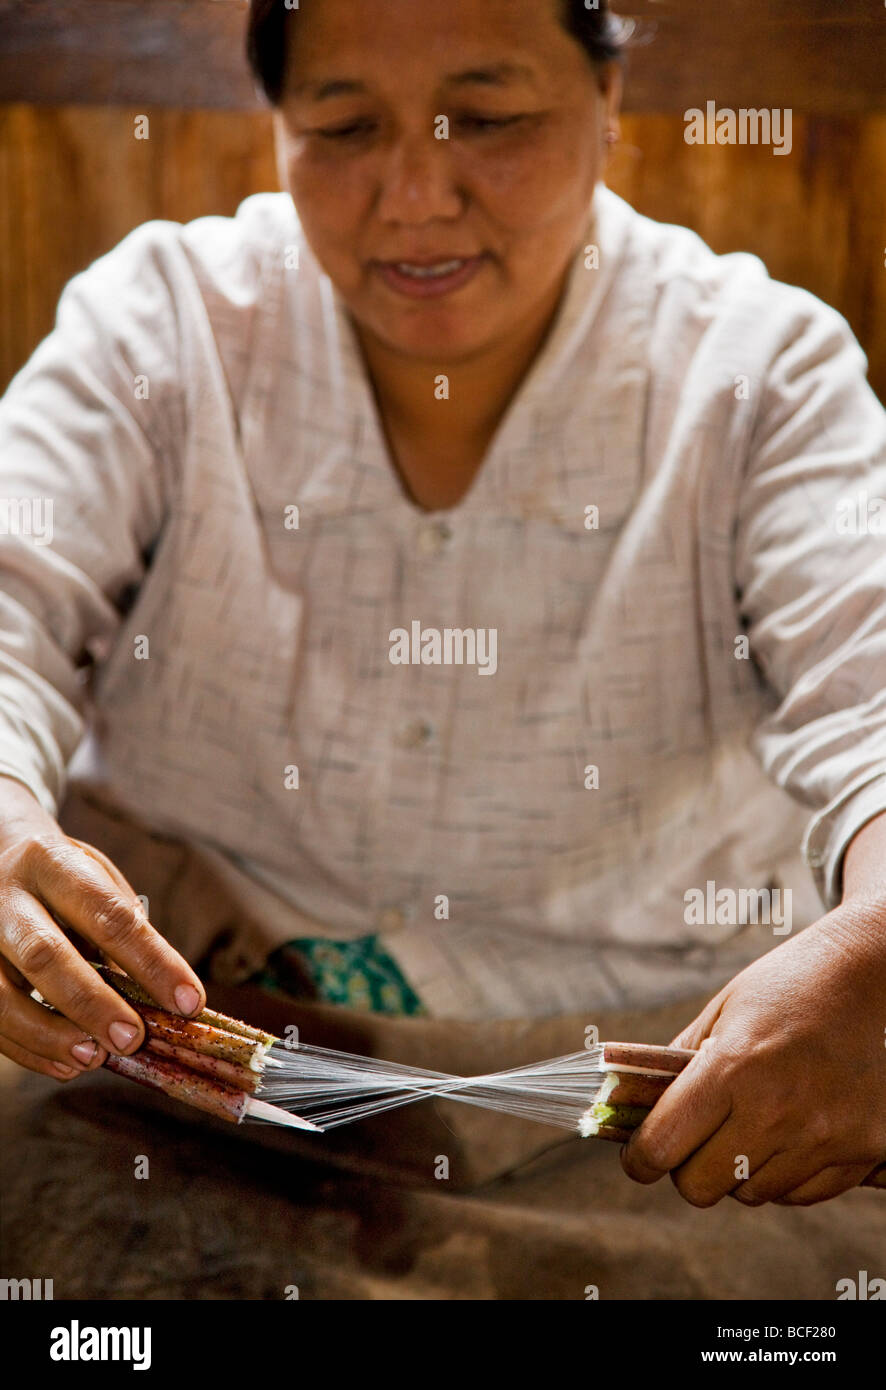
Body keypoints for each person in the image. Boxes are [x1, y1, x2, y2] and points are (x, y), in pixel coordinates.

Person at [0, 0, 885, 1292]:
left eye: (490, 119)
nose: (413, 195)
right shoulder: (161, 327)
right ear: (279, 130)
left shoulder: (758, 368)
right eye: (345, 127)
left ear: (607, 104)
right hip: (186, 1075)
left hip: (669, 1108)